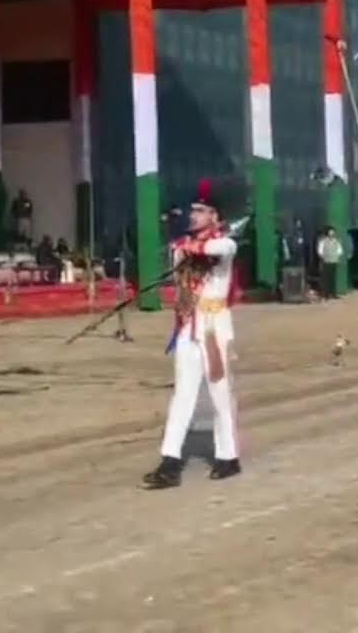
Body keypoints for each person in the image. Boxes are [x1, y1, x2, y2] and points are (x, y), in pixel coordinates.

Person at [143, 179, 241, 490]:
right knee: (182, 395)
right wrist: (185, 247)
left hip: (214, 328)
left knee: (219, 395)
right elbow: (183, 260)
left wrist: (189, 247)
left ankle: (228, 456)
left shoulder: (226, 244)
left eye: (201, 210)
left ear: (215, 217)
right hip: (188, 325)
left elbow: (215, 249)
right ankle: (170, 461)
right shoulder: (181, 247)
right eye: (193, 210)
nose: (193, 215)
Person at [316, 226, 344, 299]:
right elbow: (320, 251)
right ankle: (326, 294)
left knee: (333, 278)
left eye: (333, 232)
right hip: (326, 261)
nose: (332, 233)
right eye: (330, 232)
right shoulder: (323, 241)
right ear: (328, 233)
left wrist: (336, 256)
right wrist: (323, 257)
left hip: (334, 261)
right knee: (326, 279)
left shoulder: (336, 241)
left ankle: (333, 294)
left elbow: (340, 250)